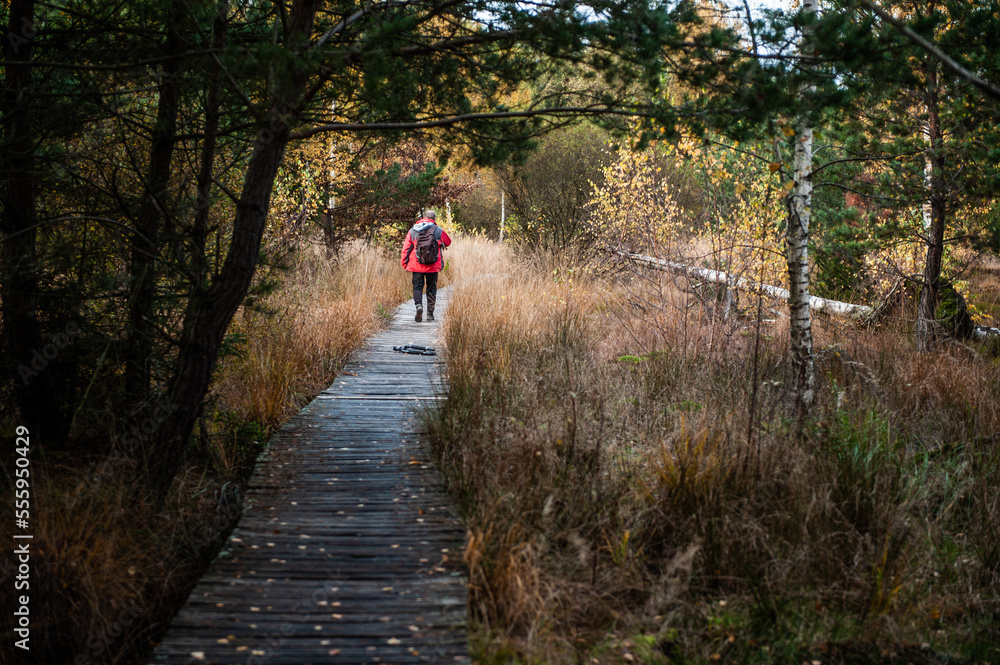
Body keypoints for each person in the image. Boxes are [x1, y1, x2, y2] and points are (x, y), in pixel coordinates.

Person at [400, 209, 451, 322]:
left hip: (416, 264)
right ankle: (430, 314)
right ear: (434, 219)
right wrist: (439, 242)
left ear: (423, 217)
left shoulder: (413, 230)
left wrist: (405, 263)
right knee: (431, 288)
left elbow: (406, 248)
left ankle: (419, 306)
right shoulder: (437, 230)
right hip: (433, 265)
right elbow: (448, 242)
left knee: (417, 286)